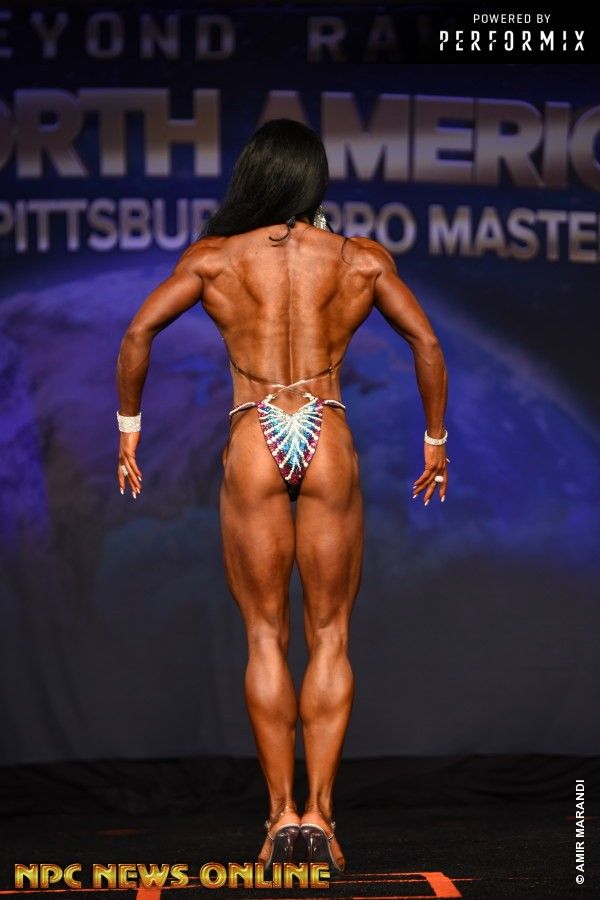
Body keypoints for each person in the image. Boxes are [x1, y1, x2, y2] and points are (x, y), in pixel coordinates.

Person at [115, 118, 448, 874]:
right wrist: (435, 440)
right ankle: (321, 821)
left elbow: (138, 334)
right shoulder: (358, 259)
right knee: (330, 634)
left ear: (256, 178)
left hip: (253, 430)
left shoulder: (216, 258)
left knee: (265, 636)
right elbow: (426, 342)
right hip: (324, 427)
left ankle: (279, 822)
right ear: (314, 180)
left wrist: (128, 432)